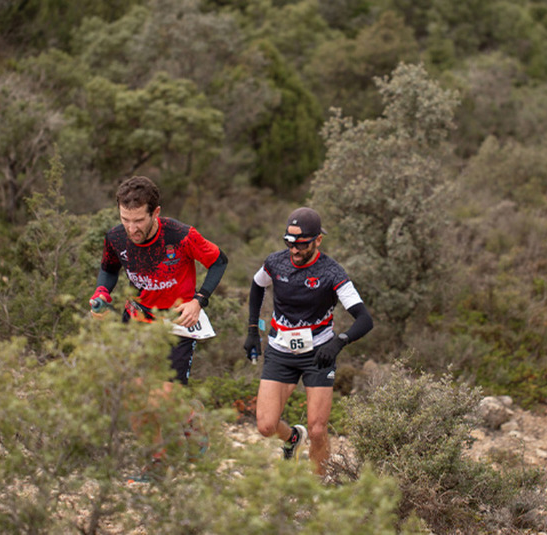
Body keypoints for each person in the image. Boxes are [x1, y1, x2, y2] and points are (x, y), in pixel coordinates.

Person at [243, 207, 373, 476]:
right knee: (266, 426)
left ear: (318, 240)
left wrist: (338, 343)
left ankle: (319, 486)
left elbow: (364, 319)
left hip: (319, 354)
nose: (294, 249)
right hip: (280, 351)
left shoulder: (331, 272)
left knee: (317, 428)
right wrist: (252, 330)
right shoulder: (275, 263)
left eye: (301, 243)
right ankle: (292, 439)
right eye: (289, 242)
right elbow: (257, 286)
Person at [89, 175, 228, 386]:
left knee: (164, 399)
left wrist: (199, 300)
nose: (131, 228)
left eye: (138, 221)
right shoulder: (115, 237)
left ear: (156, 213)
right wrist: (101, 292)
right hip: (137, 317)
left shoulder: (181, 235)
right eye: (125, 219)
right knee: (130, 392)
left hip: (177, 321)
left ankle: (188, 415)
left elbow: (219, 261)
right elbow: (108, 270)